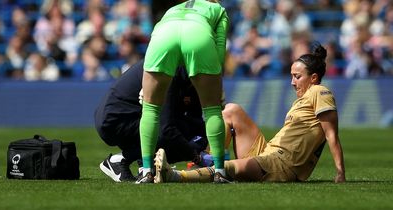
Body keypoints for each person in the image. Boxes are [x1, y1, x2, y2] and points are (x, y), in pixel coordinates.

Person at [154, 43, 346, 183]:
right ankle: (207, 163)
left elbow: (331, 135)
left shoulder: (320, 91)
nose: (292, 82)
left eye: (297, 77)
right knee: (231, 110)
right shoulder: (305, 98)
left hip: (282, 165)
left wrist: (340, 173)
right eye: (291, 77)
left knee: (227, 168)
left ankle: (174, 175)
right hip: (269, 154)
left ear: (313, 78)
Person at [137, 0, 229, 184]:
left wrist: (146, 86)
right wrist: (216, 84)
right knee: (212, 110)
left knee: (150, 109)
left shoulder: (173, 8)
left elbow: (156, 31)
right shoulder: (218, 10)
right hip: (198, 33)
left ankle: (146, 171)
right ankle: (219, 172)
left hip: (163, 34)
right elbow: (220, 49)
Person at [95, 59, 210, 182]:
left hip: (122, 116)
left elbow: (196, 120)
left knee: (194, 132)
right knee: (173, 132)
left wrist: (202, 143)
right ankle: (121, 159)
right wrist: (195, 156)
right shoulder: (170, 71)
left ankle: (144, 166)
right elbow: (166, 130)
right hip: (116, 121)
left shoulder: (188, 73)